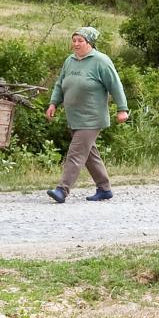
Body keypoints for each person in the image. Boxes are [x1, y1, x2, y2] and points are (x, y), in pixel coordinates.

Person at [45, 26, 129, 203]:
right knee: (89, 154)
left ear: (89, 43)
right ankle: (104, 189)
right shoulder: (70, 61)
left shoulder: (101, 61)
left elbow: (115, 85)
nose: (76, 44)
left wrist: (122, 109)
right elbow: (60, 84)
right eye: (74, 40)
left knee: (75, 154)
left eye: (80, 41)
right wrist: (53, 103)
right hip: (74, 116)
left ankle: (62, 190)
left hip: (92, 117)